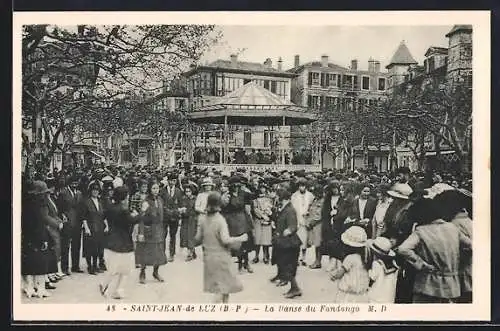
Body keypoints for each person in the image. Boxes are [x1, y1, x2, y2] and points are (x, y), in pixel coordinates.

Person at [396, 196, 471, 303]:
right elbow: (471, 246)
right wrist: (458, 263)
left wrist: (421, 264)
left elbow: (403, 249)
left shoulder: (421, 231)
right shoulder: (453, 228)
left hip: (427, 284)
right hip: (452, 285)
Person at [194, 192, 248, 303]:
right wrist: (240, 238)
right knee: (222, 290)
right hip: (221, 258)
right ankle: (216, 316)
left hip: (208, 257)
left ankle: (223, 313)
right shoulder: (220, 220)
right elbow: (225, 240)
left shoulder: (203, 219)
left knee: (223, 288)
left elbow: (197, 239)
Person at [99, 185, 140, 299]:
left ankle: (104, 284)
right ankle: (118, 290)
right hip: (124, 242)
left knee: (113, 268)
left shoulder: (110, 207)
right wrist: (141, 213)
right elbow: (132, 220)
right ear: (124, 197)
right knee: (125, 269)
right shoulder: (123, 210)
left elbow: (104, 216)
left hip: (112, 241)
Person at [22, 181, 53, 298]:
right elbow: (40, 225)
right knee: (41, 264)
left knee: (28, 264)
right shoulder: (39, 206)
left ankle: (29, 288)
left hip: (27, 237)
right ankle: (40, 289)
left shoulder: (25, 204)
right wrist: (44, 239)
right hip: (38, 238)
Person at [270, 187, 303, 299]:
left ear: (282, 198)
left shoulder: (290, 209)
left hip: (289, 243)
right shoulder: (284, 207)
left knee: (288, 266)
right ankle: (292, 287)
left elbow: (293, 226)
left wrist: (287, 231)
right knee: (284, 264)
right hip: (284, 242)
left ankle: (295, 289)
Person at [135, 181, 167, 284]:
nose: (156, 190)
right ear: (149, 189)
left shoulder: (160, 200)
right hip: (148, 230)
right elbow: (141, 218)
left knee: (158, 252)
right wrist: (141, 233)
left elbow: (163, 212)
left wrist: (176, 212)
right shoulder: (145, 202)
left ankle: (155, 272)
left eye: (157, 188)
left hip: (159, 230)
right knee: (145, 252)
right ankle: (142, 273)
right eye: (153, 188)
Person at [222, 175, 254, 273]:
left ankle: (246, 263)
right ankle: (240, 265)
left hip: (243, 220)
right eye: (234, 185)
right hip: (233, 221)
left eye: (238, 185)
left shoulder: (243, 193)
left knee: (246, 243)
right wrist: (223, 201)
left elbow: (253, 195)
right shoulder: (227, 195)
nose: (236, 187)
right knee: (238, 244)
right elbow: (223, 208)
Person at [329, 226, 370, 303]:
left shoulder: (349, 258)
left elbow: (340, 273)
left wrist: (334, 276)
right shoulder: (365, 257)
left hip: (348, 293)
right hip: (361, 293)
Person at [80, 182, 109, 275]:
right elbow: (83, 217)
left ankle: (96, 265)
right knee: (90, 248)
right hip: (91, 227)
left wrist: (106, 225)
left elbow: (103, 215)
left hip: (99, 227)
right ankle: (90, 266)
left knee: (98, 247)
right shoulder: (86, 202)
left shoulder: (100, 201)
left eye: (97, 190)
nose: (95, 192)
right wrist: (86, 228)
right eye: (94, 190)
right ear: (90, 191)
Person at [57, 175, 84, 274]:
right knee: (66, 245)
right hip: (67, 221)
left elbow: (81, 208)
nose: (75, 185)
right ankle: (65, 267)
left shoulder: (80, 193)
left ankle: (75, 266)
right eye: (73, 183)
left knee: (76, 245)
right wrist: (62, 216)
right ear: (69, 183)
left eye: (76, 183)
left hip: (77, 222)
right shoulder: (63, 193)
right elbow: (59, 207)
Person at [367, 236, 399, 303]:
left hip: (375, 298)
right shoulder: (394, 263)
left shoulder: (376, 264)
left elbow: (372, 278)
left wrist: (368, 271)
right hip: (389, 298)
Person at [291, 178, 315, 266]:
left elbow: (313, 207)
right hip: (297, 220)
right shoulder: (294, 196)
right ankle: (296, 259)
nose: (302, 188)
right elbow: (293, 209)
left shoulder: (310, 195)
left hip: (306, 220)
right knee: (297, 241)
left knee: (305, 240)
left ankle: (303, 258)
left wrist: (309, 213)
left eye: (303, 186)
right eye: (300, 186)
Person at [160, 174, 183, 262]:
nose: (171, 182)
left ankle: (171, 254)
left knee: (173, 236)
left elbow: (180, 204)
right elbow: (161, 203)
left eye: (173, 180)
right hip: (164, 217)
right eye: (170, 180)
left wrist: (178, 213)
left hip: (174, 217)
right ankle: (162, 253)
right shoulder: (162, 191)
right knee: (163, 235)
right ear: (167, 181)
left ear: (176, 181)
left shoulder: (178, 191)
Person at [252, 183, 273, 264]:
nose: (262, 189)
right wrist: (262, 215)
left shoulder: (269, 199)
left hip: (267, 220)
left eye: (264, 188)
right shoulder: (255, 200)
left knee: (266, 239)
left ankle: (265, 256)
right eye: (261, 188)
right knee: (257, 239)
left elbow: (271, 208)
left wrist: (268, 214)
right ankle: (256, 256)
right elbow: (255, 209)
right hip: (258, 220)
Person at [305, 185, 324, 269]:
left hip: (318, 224)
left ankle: (318, 262)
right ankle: (317, 261)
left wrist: (313, 222)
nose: (316, 194)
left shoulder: (323, 201)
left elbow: (320, 214)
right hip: (313, 224)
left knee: (318, 244)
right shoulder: (315, 200)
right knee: (316, 244)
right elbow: (311, 211)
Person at [179, 184, 198, 261]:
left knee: (190, 235)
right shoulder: (183, 199)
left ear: (192, 191)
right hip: (185, 219)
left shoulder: (195, 199)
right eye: (186, 191)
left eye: (189, 191)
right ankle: (192, 251)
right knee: (185, 236)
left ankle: (190, 253)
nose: (187, 193)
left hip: (192, 219)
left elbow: (196, 209)